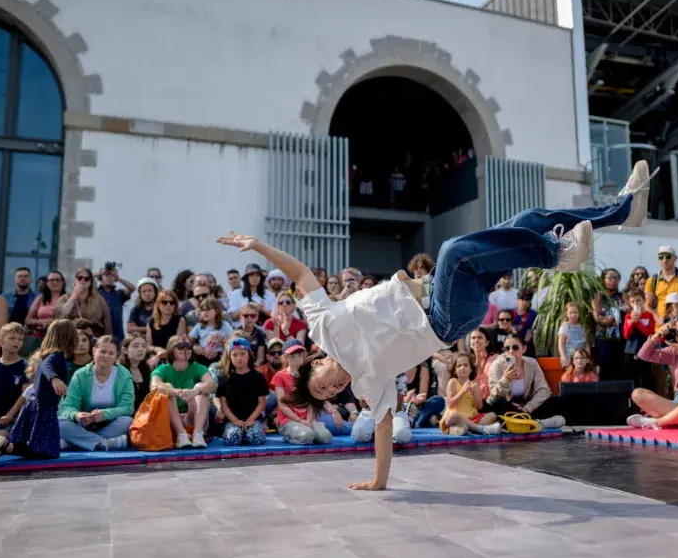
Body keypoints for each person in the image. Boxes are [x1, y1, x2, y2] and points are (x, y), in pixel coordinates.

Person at [216, 160, 651, 489]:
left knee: (528, 221)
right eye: (330, 395)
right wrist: (379, 481)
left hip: (437, 289)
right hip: (445, 319)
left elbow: (299, 273)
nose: (334, 389)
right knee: (454, 251)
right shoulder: (369, 382)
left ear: (315, 363)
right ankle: (555, 254)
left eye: (324, 385)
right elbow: (383, 428)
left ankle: (621, 211)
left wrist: (259, 246)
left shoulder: (322, 325)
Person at [0, 319, 75, 465]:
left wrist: (10, 414)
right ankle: (3, 446)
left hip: (22, 412)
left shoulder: (38, 359)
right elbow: (47, 367)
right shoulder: (55, 356)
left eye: (20, 339)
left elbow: (27, 391)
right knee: (45, 450)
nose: (16, 342)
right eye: (12, 338)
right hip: (40, 408)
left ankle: (4, 447)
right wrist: (54, 379)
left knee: (23, 441)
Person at [58, 335, 135, 451]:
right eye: (103, 351)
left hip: (110, 424)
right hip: (83, 426)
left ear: (116, 356)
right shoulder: (80, 375)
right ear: (94, 351)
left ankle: (74, 443)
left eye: (111, 353)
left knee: (127, 421)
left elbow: (128, 408)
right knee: (59, 422)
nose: (106, 356)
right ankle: (104, 443)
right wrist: (77, 415)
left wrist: (104, 414)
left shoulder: (124, 375)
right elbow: (68, 407)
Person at [486, 334, 567, 425]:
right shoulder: (497, 365)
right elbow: (494, 394)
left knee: (556, 401)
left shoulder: (531, 363)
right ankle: (534, 422)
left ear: (524, 349)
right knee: (497, 402)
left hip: (525, 405)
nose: (511, 351)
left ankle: (523, 422)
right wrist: (505, 379)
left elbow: (543, 390)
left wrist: (527, 408)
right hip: (507, 405)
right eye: (507, 348)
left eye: (515, 347)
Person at [151, 334, 212, 448]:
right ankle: (181, 435)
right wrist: (178, 392)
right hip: (171, 420)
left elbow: (212, 385)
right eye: (180, 346)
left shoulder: (198, 367)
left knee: (202, 388)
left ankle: (198, 435)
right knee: (167, 387)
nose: (185, 349)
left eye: (188, 346)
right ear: (171, 349)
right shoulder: (162, 369)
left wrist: (195, 391)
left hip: (192, 417)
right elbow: (154, 386)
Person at [216, 337, 269, 446]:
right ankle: (240, 433)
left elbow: (262, 402)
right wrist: (235, 421)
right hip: (232, 420)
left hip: (254, 419)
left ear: (249, 355)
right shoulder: (224, 378)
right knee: (233, 438)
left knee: (256, 438)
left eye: (243, 354)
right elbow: (223, 404)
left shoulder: (258, 377)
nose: (239, 358)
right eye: (234, 355)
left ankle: (252, 431)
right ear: (229, 357)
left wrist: (251, 419)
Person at [439, 353, 501, 435]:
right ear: (454, 370)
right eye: (459, 366)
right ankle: (480, 429)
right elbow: (451, 405)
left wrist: (474, 394)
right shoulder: (453, 382)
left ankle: (462, 429)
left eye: (465, 365)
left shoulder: (474, 384)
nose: (462, 368)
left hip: (472, 418)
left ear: (471, 369)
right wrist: (462, 392)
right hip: (455, 418)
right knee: (453, 415)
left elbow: (479, 406)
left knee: (492, 415)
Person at [644, 246, 678, 320]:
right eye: (661, 257)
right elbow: (647, 305)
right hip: (662, 324)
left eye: (668, 256)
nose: (664, 260)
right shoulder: (651, 280)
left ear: (675, 258)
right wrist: (658, 318)